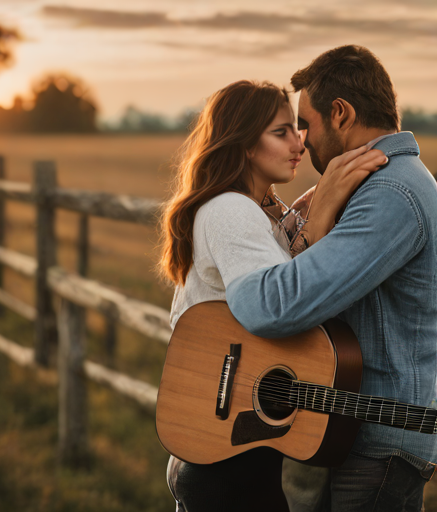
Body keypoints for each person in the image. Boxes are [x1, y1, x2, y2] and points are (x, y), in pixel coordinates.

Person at [158, 78, 387, 512]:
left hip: (226, 443)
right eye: (281, 132)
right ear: (244, 144)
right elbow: (282, 303)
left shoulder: (252, 209)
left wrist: (300, 225)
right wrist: (320, 217)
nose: (298, 144)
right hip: (221, 455)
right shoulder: (230, 210)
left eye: (297, 130)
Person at [226, 45, 437, 511]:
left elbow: (277, 306)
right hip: (356, 437)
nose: (301, 141)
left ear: (340, 113)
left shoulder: (391, 194)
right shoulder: (379, 185)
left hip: (382, 447)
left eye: (306, 123)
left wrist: (234, 276)